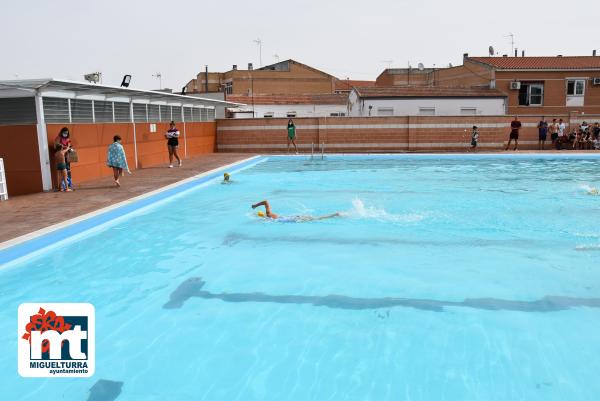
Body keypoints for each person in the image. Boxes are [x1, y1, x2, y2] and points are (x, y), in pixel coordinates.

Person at [251, 200, 341, 222]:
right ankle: (335, 214)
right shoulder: (271, 216)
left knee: (317, 219)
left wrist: (255, 205)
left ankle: (335, 214)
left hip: (294, 219)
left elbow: (266, 202)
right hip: (294, 217)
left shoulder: (269, 215)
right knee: (317, 218)